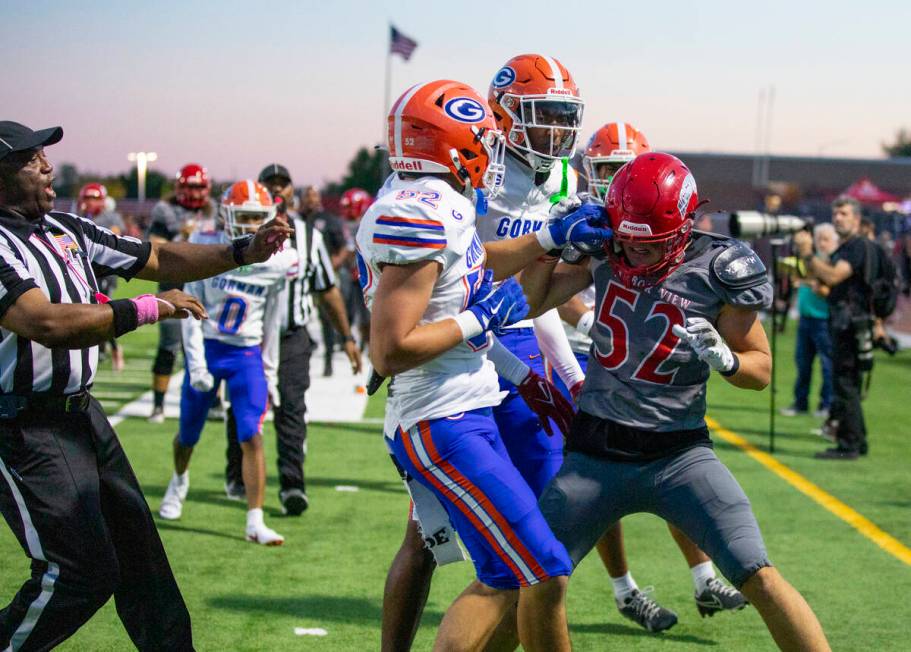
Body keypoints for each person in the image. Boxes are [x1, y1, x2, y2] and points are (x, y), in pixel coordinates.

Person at [521, 152, 831, 651]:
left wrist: (726, 359)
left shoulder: (718, 266)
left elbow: (761, 371)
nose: (636, 256)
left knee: (760, 575)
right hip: (595, 454)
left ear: (685, 226)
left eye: (653, 245)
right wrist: (554, 249)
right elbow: (533, 300)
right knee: (536, 578)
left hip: (679, 457)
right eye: (629, 243)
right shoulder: (606, 243)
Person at [0, 120, 291, 651]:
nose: (45, 165)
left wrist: (242, 250)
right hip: (23, 422)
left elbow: (157, 257)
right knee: (77, 572)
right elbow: (44, 323)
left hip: (81, 413)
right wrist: (148, 308)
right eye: (30, 157)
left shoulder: (68, 228)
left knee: (141, 558)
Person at [363, 79, 610, 652]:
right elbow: (390, 349)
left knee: (528, 566)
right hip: (437, 415)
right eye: (480, 136)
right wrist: (482, 319)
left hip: (470, 399)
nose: (489, 143)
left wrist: (550, 236)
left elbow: (476, 265)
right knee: (538, 566)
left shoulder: (441, 198)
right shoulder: (414, 211)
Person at [558, 121, 746, 623]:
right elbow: (548, 285)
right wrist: (580, 319)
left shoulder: (648, 215)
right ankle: (624, 589)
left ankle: (704, 578)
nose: (613, 181)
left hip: (638, 348)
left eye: (622, 171)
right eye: (606, 171)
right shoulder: (573, 205)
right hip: (582, 351)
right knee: (598, 474)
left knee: (669, 458)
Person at [158, 180, 297, 545]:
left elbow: (272, 320)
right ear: (226, 217)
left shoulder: (280, 260)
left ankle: (255, 519)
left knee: (251, 432)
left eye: (257, 218)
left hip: (246, 353)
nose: (252, 226)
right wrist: (197, 365)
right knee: (189, 432)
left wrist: (270, 372)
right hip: (208, 345)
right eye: (244, 217)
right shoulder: (207, 249)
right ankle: (179, 479)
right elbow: (189, 309)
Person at [223, 165, 362, 515]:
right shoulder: (240, 232)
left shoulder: (308, 236)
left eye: (283, 184)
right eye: (270, 185)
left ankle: (292, 485)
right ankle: (238, 472)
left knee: (292, 407)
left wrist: (346, 337)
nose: (278, 190)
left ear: (291, 190)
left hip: (291, 335)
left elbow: (327, 290)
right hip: (248, 337)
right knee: (244, 405)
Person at [794, 197, 872, 459]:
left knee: (845, 384)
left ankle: (849, 444)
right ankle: (858, 440)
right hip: (842, 322)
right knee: (845, 383)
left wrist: (807, 253)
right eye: (835, 213)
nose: (838, 217)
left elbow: (833, 276)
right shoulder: (849, 247)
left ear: (856, 219)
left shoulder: (856, 247)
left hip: (850, 325)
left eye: (844, 213)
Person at [146, 163, 219, 423]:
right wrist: (181, 238)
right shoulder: (165, 210)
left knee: (211, 343)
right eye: (190, 186)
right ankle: (158, 405)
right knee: (169, 346)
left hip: (206, 287)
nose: (195, 192)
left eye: (199, 187)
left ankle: (214, 400)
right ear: (178, 187)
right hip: (173, 285)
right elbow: (153, 246)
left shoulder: (214, 211)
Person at [781, 223, 838, 418]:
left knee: (827, 365)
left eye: (826, 239)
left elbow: (829, 289)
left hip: (824, 319)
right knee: (802, 363)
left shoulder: (833, 263)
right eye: (819, 239)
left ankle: (826, 404)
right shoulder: (811, 261)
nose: (821, 243)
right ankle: (800, 402)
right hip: (806, 318)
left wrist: (815, 285)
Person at [300, 185, 349, 376]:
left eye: (313, 196)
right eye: (307, 196)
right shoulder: (297, 220)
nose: (310, 200)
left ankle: (328, 358)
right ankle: (309, 345)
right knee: (299, 315)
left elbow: (343, 248)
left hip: (323, 275)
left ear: (319, 198)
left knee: (327, 317)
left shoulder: (328, 220)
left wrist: (330, 266)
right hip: (302, 276)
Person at [78, 182, 127, 371]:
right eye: (87, 198)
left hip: (105, 270)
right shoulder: (78, 217)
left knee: (103, 309)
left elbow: (116, 239)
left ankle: (114, 348)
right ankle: (99, 349)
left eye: (94, 198)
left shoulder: (110, 217)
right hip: (83, 269)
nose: (89, 202)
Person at [339, 187, 374, 349]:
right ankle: (365, 344)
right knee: (358, 314)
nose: (347, 212)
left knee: (370, 314)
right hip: (354, 274)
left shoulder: (371, 220)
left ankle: (371, 344)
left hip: (370, 274)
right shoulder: (348, 223)